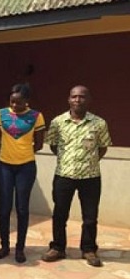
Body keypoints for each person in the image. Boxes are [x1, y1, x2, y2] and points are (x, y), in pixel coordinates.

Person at [41, 85, 112, 267]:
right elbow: (53, 145)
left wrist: (88, 163)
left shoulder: (99, 123)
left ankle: (88, 249)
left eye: (82, 97)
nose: (77, 100)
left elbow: (102, 148)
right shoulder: (58, 122)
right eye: (74, 97)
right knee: (59, 214)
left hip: (90, 176)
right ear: (68, 99)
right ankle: (57, 247)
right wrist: (68, 162)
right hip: (64, 175)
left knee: (90, 216)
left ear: (89, 100)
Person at [0, 83, 45, 263]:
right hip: (4, 166)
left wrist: (23, 154)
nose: (14, 106)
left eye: (19, 103)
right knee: (4, 208)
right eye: (12, 102)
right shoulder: (1, 114)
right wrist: (5, 155)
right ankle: (4, 246)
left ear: (27, 101)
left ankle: (20, 248)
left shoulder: (36, 117)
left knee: (22, 208)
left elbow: (38, 144)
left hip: (26, 167)